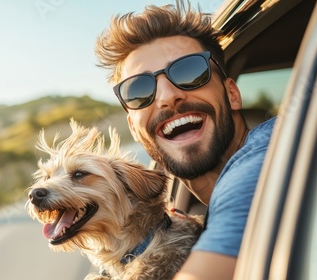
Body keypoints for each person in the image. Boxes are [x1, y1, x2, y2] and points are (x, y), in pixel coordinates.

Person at [94, 1, 276, 279]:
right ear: (134, 128)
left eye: (189, 71)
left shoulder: (261, 160)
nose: (167, 97)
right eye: (139, 90)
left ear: (232, 95)